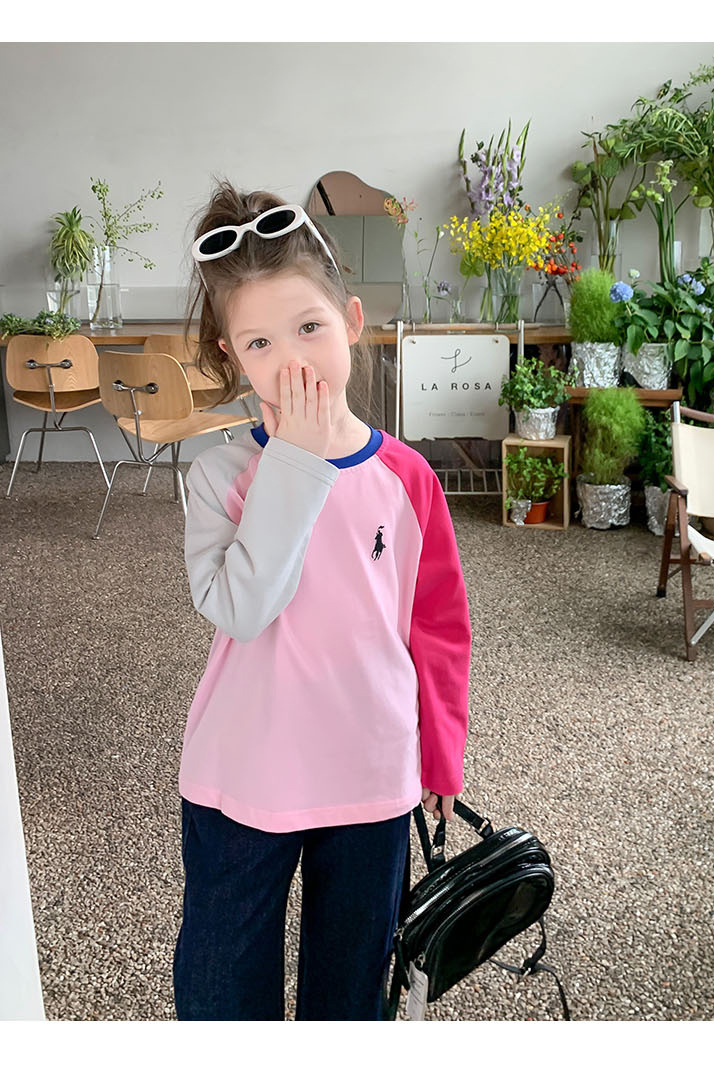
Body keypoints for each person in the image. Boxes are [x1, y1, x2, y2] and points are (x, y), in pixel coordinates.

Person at [172, 180, 472, 1021]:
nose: (291, 361)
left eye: (309, 327)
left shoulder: (407, 477)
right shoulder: (220, 476)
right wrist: (296, 462)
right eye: (260, 341)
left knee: (350, 999)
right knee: (221, 997)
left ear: (352, 320)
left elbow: (438, 625)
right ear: (233, 356)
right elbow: (241, 607)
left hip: (370, 773)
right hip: (244, 771)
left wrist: (440, 749)